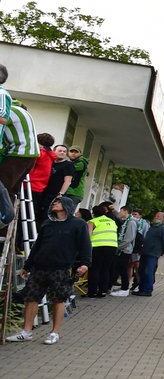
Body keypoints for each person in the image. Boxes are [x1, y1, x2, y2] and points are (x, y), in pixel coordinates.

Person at [5, 196, 91, 345]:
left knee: (58, 299)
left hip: (60, 268)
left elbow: (85, 245)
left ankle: (54, 333)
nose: (54, 204)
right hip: (39, 267)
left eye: (57, 202)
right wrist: (27, 266)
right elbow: (37, 246)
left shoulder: (78, 224)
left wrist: (85, 264)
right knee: (31, 298)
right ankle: (26, 331)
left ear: (67, 206)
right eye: (54, 202)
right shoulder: (47, 224)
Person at [0, 100, 40, 197]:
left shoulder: (10, 111)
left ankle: (5, 212)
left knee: (2, 187)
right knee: (10, 190)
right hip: (28, 155)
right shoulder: (23, 111)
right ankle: (8, 211)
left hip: (18, 154)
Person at [87, 203, 118, 298]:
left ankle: (92, 292)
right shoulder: (112, 221)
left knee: (95, 269)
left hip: (98, 246)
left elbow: (87, 236)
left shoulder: (92, 221)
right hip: (112, 246)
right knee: (105, 269)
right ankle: (103, 291)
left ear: (93, 213)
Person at [136, 211, 164, 296]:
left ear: (163, 219)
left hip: (153, 254)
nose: (156, 217)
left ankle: (147, 290)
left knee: (148, 271)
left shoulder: (163, 229)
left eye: (159, 216)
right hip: (145, 252)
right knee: (142, 271)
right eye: (156, 215)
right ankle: (141, 289)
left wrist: (160, 252)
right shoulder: (152, 227)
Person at [114, 205, 136, 296]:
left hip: (125, 250)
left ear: (125, 211)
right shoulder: (127, 221)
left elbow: (129, 238)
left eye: (120, 211)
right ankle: (124, 287)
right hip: (124, 249)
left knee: (123, 269)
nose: (119, 213)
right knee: (121, 268)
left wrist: (118, 247)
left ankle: (125, 288)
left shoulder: (131, 222)